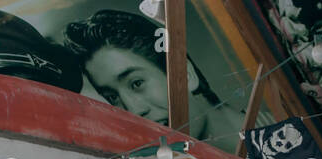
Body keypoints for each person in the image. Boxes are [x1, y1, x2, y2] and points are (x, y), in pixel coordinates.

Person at [64, 11, 244, 143]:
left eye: (136, 83)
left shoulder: (268, 127)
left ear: (185, 74)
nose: (134, 111)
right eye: (113, 97)